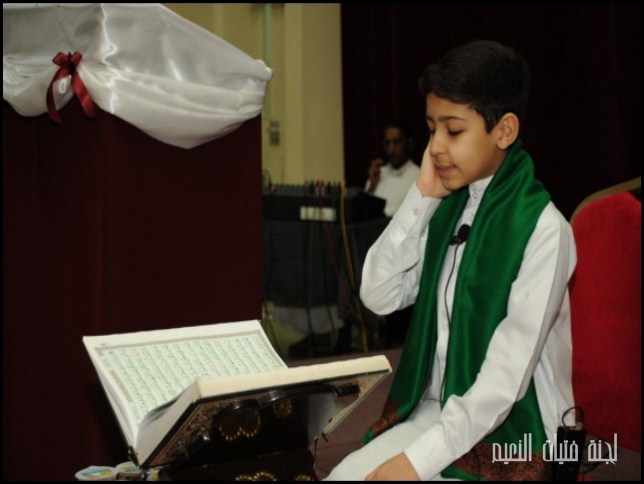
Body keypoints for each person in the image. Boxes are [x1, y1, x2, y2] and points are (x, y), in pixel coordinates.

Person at [326, 39, 577, 481]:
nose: (436, 147)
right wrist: (422, 196)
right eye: (431, 129)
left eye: (453, 131)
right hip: (437, 413)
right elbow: (379, 294)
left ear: (504, 131)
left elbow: (505, 380)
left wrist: (415, 463)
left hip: (521, 433)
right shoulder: (448, 210)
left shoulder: (543, 230)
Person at [365, 120, 420, 217]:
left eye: (397, 142)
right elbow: (363, 212)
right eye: (387, 143)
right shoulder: (379, 173)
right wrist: (372, 186)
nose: (391, 149)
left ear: (409, 144)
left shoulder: (418, 176)